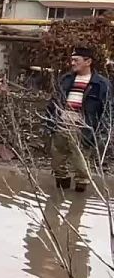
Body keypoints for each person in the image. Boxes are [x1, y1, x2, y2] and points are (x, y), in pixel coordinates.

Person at [46, 45, 111, 192]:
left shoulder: (101, 84)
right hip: (61, 125)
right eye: (72, 60)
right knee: (57, 163)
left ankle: (79, 196)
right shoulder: (66, 79)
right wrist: (49, 123)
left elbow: (107, 110)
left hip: (83, 129)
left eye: (76, 60)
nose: (72, 63)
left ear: (88, 62)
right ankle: (61, 194)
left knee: (81, 166)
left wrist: (102, 133)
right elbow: (53, 102)